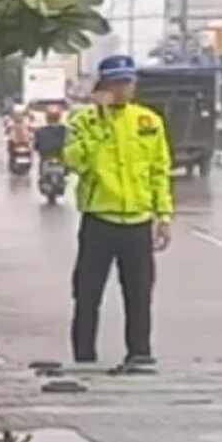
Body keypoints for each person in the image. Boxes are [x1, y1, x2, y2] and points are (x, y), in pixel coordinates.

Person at [62, 54, 173, 365]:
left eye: (129, 81)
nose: (124, 88)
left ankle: (139, 355)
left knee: (139, 296)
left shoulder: (148, 121)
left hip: (138, 223)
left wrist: (163, 216)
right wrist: (101, 121)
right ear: (104, 85)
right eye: (117, 82)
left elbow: (159, 171)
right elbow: (74, 161)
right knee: (87, 295)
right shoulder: (83, 120)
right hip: (100, 220)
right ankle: (84, 359)